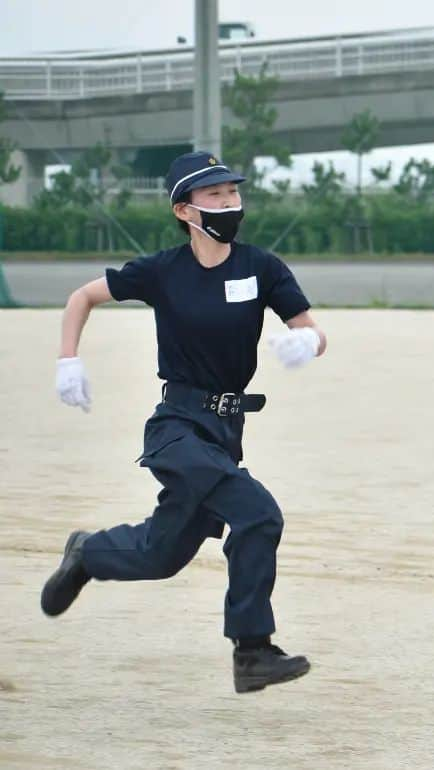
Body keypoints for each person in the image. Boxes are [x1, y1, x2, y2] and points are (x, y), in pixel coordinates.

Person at [42, 151, 327, 694]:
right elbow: (83, 297)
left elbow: (312, 328)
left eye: (233, 193)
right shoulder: (162, 271)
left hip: (224, 435)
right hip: (176, 427)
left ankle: (87, 554)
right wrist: (67, 359)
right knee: (259, 514)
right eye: (215, 195)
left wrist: (306, 341)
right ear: (184, 210)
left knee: (161, 554)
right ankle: (253, 651)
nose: (229, 202)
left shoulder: (261, 267)